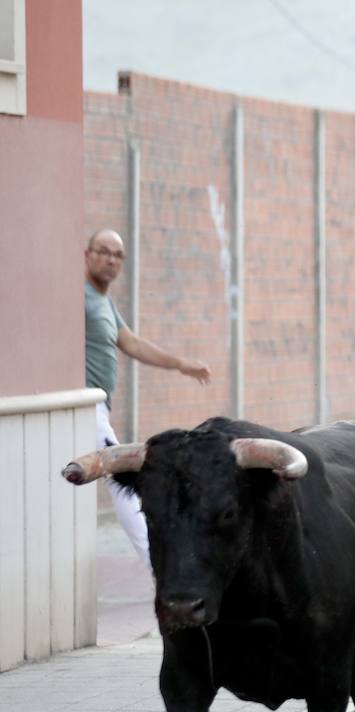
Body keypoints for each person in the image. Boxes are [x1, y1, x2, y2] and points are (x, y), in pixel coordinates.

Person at [84, 229, 211, 568]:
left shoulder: (104, 302)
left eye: (117, 254)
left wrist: (180, 363)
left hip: (97, 408)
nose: (111, 259)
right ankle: (160, 563)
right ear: (87, 254)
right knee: (122, 476)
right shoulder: (77, 295)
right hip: (84, 406)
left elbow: (134, 344)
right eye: (103, 251)